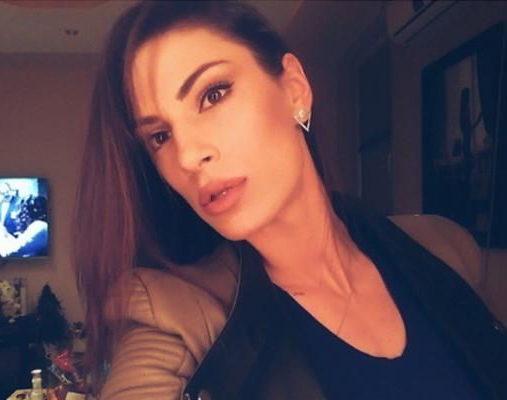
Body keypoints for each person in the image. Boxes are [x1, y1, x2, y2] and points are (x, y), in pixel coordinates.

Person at [73, 2, 507, 400]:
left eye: (212, 94)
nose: (187, 156)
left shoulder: (443, 247)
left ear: (295, 90)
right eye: (159, 136)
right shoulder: (180, 322)